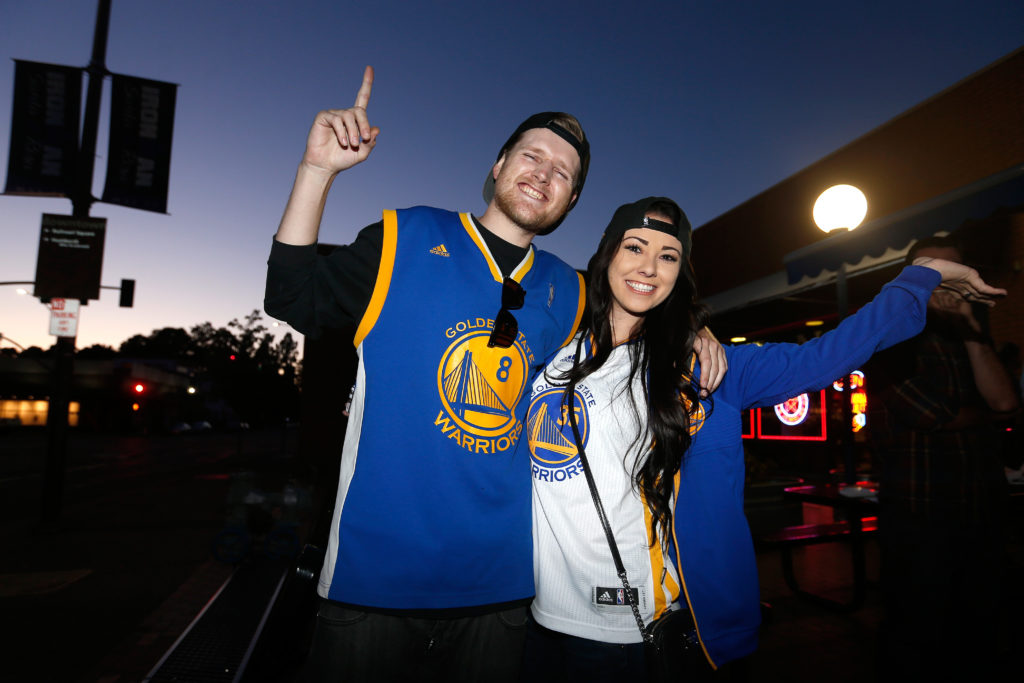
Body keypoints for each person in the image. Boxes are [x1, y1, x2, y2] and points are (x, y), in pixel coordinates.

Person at [263, 69, 725, 682]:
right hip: (373, 581)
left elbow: (641, 302)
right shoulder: (404, 237)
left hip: (504, 593)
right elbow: (290, 296)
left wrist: (695, 326)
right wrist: (316, 173)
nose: (544, 173)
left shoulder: (568, 289)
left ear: (573, 201)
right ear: (500, 163)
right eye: (533, 156)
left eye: (564, 173)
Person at [521, 197, 1007, 681]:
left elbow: (826, 356)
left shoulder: (705, 370)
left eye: (668, 256)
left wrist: (920, 274)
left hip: (636, 633)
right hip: (539, 625)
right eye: (635, 246)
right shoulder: (547, 347)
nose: (649, 267)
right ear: (607, 253)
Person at [868, 236, 1020, 680]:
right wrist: (985, 414)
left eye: (953, 271)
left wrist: (972, 328)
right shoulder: (891, 340)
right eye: (932, 270)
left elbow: (1006, 402)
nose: (945, 282)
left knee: (983, 633)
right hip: (920, 515)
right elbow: (932, 415)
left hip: (982, 508)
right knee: (917, 638)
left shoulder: (971, 335)